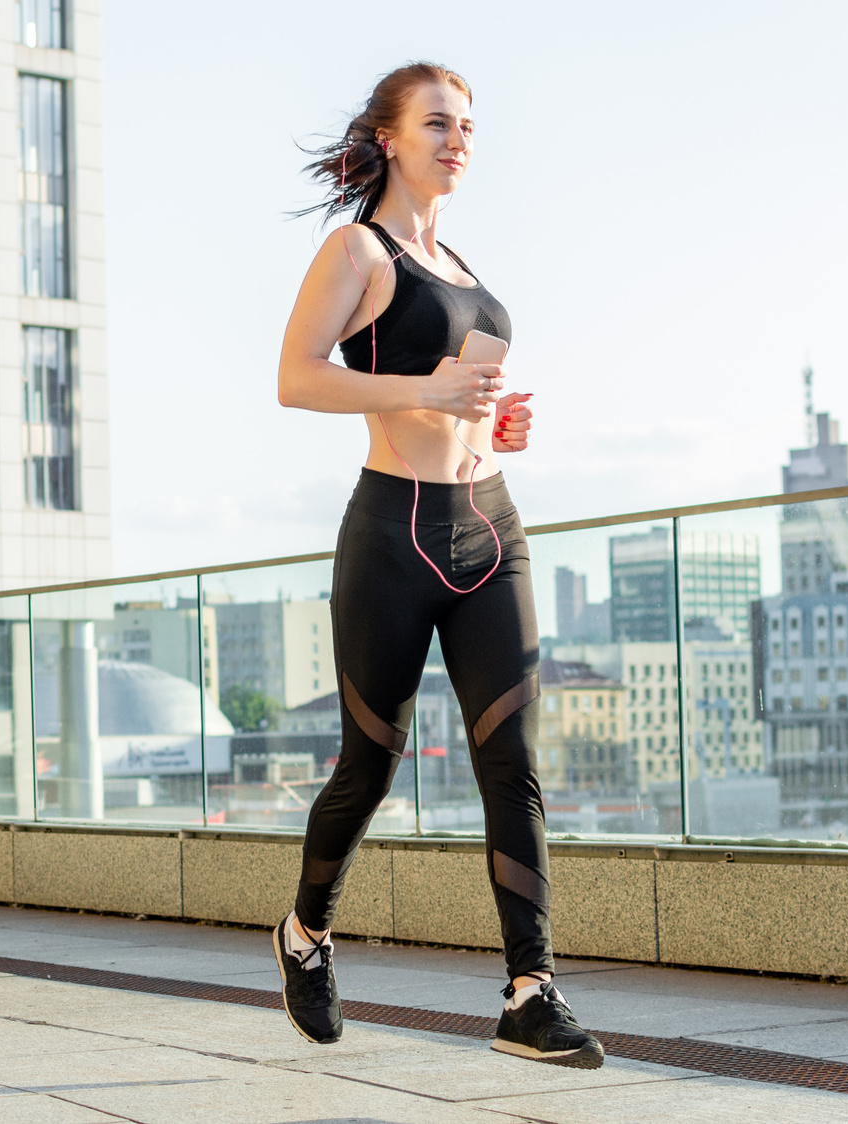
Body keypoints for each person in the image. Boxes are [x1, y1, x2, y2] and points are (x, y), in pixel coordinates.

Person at [270, 61, 604, 1068]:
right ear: (388, 136)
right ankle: (305, 933)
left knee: (514, 762)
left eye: (468, 125)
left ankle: (530, 990)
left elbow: (454, 401)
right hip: (392, 532)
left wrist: (493, 421)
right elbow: (295, 377)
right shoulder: (357, 250)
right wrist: (426, 388)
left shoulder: (459, 261)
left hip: (488, 526)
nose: (460, 139)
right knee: (368, 766)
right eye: (439, 123)